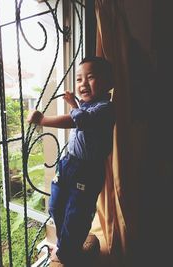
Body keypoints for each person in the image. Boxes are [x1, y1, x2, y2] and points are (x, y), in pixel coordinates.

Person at [27, 56, 115, 265]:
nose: (83, 83)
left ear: (109, 83)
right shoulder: (85, 106)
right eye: (78, 79)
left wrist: (43, 120)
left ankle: (67, 254)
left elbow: (81, 120)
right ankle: (66, 243)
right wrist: (75, 103)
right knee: (56, 206)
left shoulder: (106, 108)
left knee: (77, 213)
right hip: (68, 163)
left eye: (90, 77)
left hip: (87, 170)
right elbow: (81, 115)